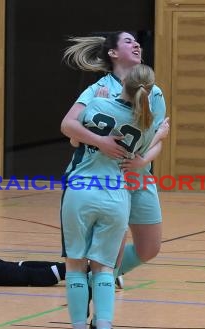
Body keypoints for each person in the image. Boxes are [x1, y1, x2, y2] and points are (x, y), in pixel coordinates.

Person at [60, 63, 158, 329]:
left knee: (76, 265)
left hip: (81, 191)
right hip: (116, 196)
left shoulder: (99, 102)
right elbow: (143, 156)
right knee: (104, 268)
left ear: (123, 84)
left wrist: (96, 104)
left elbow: (75, 138)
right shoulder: (146, 122)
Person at [61, 31, 169, 284]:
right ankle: (98, 287)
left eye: (137, 42)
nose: (137, 44)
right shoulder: (99, 89)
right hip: (109, 181)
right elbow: (70, 128)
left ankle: (104, 276)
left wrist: (143, 161)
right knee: (112, 253)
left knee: (150, 248)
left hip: (140, 178)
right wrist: (100, 141)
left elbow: (158, 140)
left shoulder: (154, 92)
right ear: (113, 53)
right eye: (128, 41)